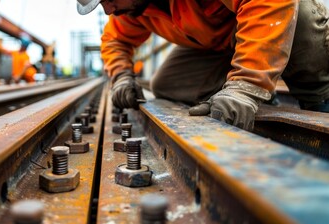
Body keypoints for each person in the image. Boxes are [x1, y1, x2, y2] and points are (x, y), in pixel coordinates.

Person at [77, 0, 329, 131]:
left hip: (263, 24)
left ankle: (320, 101)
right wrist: (121, 75)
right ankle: (247, 96)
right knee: (165, 84)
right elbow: (115, 40)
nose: (109, 10)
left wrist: (247, 86)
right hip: (219, 47)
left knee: (302, 17)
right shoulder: (133, 9)